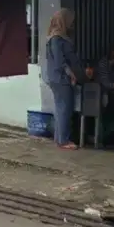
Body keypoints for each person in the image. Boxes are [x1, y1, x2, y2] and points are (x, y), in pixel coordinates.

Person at [44, 8, 84, 151]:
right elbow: (60, 61)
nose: (72, 23)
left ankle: (59, 138)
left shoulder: (56, 38)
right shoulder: (56, 39)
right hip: (61, 78)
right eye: (69, 20)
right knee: (65, 109)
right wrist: (71, 75)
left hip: (58, 77)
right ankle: (63, 140)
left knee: (61, 108)